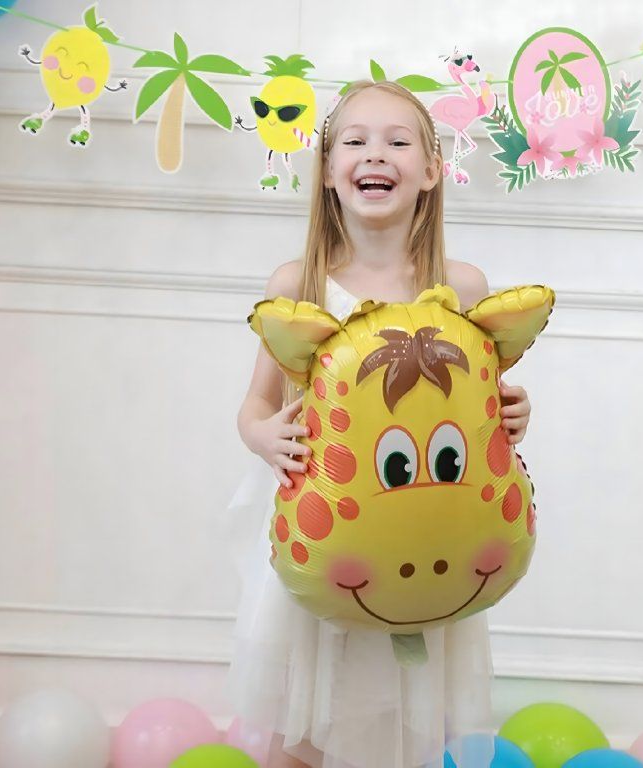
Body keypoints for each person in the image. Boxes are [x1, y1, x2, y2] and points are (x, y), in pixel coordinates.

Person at [226, 80, 533, 768]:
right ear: (328, 168)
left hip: (423, 538)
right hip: (327, 532)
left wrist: (516, 412)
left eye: (398, 142)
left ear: (431, 170)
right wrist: (264, 436)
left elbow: (481, 411)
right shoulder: (297, 285)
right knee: (304, 726)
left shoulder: (462, 287)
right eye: (356, 141)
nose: (376, 154)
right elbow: (254, 406)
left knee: (405, 716)